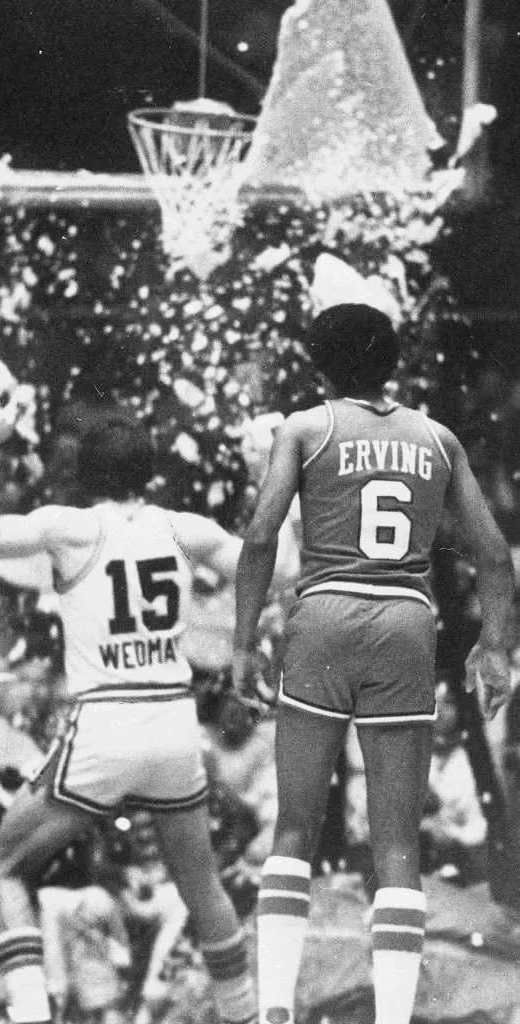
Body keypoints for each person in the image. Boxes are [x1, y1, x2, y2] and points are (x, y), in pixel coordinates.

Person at [232, 303, 515, 1024]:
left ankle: (274, 1007)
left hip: (324, 618)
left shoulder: (304, 428)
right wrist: (493, 647)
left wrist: (240, 641)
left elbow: (261, 536)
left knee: (294, 827)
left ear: (318, 366)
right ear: (394, 363)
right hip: (404, 626)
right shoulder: (437, 438)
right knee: (397, 847)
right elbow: (491, 555)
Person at [0, 405, 258, 1024]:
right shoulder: (184, 528)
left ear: (82, 475)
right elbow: (281, 569)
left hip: (106, 720)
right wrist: (269, 474)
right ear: (149, 475)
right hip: (173, 725)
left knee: (5, 868)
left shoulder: (71, 525)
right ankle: (246, 1015)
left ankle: (32, 1014)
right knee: (203, 890)